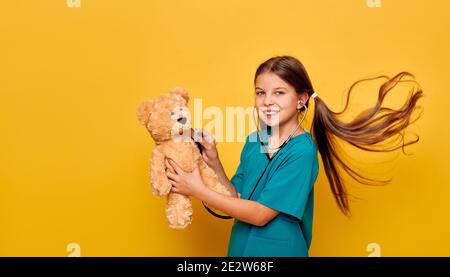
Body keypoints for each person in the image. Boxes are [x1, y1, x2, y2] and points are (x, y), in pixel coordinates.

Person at [164, 55, 423, 257]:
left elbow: (260, 214)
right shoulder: (254, 142)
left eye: (279, 92)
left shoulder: (302, 151)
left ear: (301, 100)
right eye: (260, 92)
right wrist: (214, 162)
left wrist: (196, 189)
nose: (267, 101)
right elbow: (237, 197)